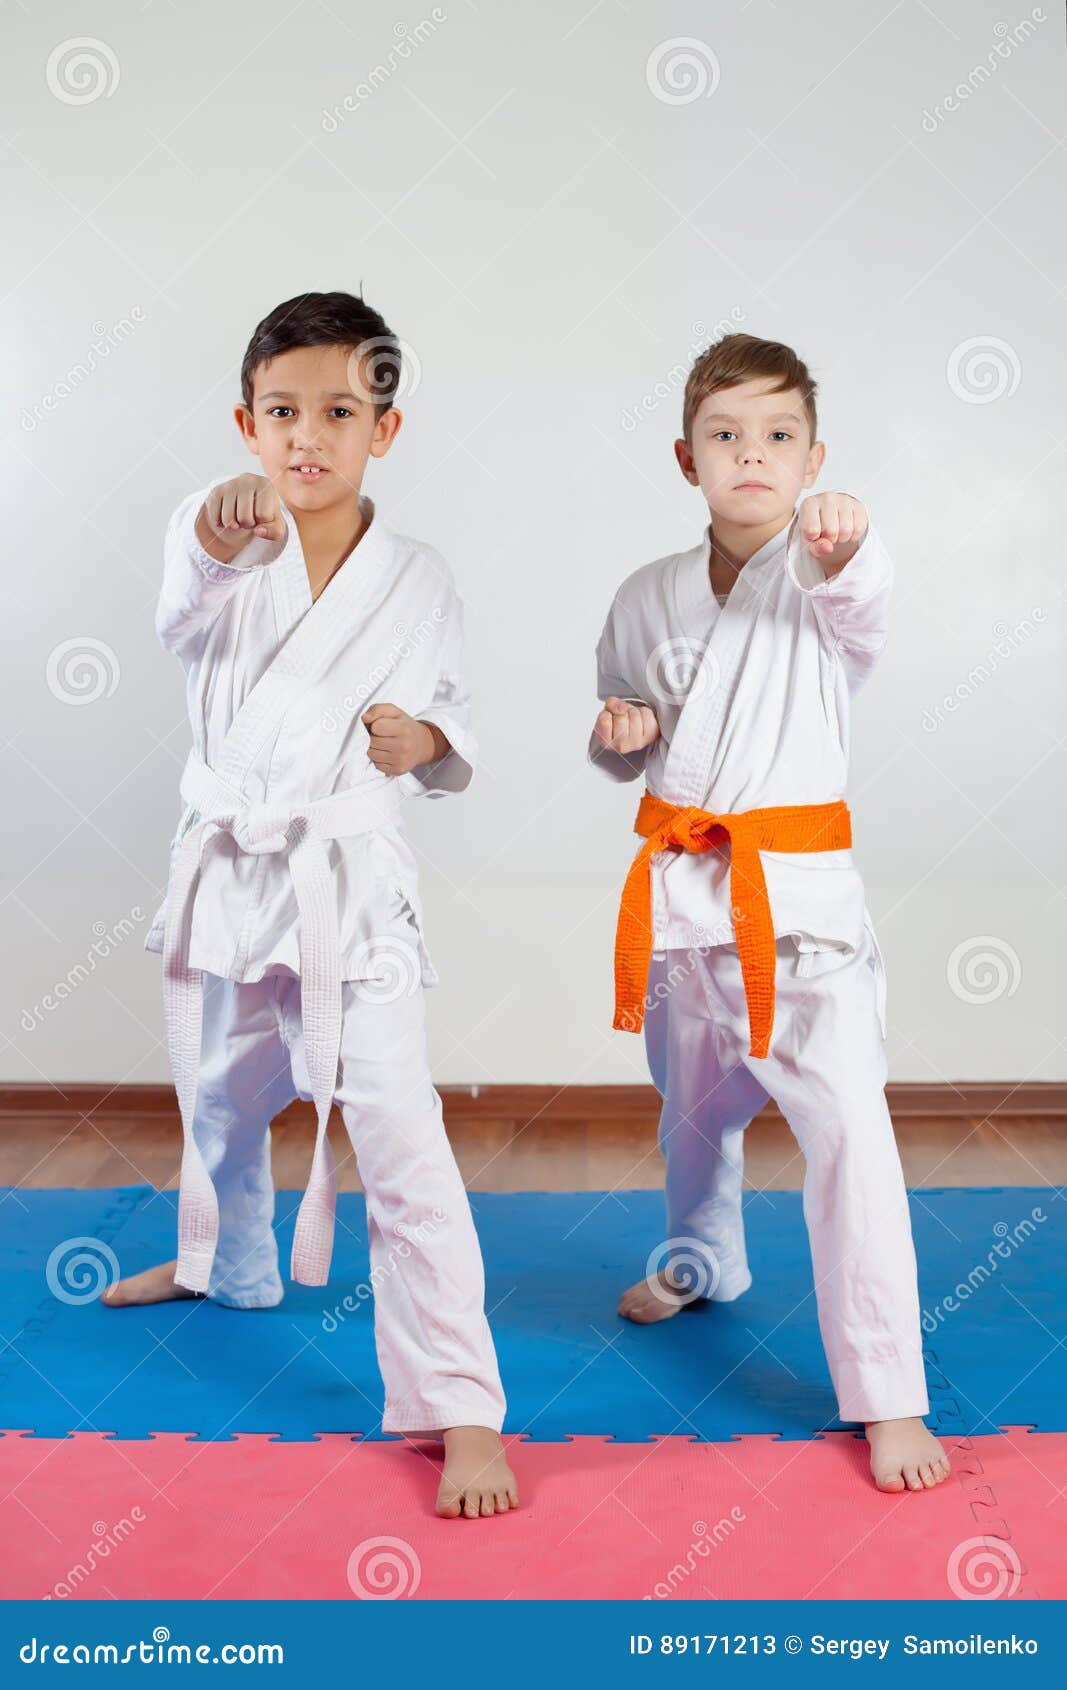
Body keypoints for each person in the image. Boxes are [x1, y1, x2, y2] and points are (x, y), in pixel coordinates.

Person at [104, 290, 517, 1521]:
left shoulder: (419, 576)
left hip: (346, 888)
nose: (308, 437)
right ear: (246, 421)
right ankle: (221, 1265)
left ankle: (459, 1404)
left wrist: (424, 734)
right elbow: (177, 615)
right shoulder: (218, 531)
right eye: (282, 411)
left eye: (340, 411)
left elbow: (455, 720)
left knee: (396, 1125)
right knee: (219, 1093)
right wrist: (220, 539)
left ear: (382, 428)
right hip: (234, 869)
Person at [589, 331, 949, 1495]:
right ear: (683, 456)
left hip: (800, 917)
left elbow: (863, 597)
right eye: (725, 435)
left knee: (849, 1134)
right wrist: (616, 734)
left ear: (811, 458)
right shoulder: (644, 594)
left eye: (777, 436)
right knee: (690, 1114)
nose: (752, 455)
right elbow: (617, 719)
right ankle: (702, 1261)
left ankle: (886, 1390)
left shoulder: (825, 565)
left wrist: (845, 541)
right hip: (684, 907)